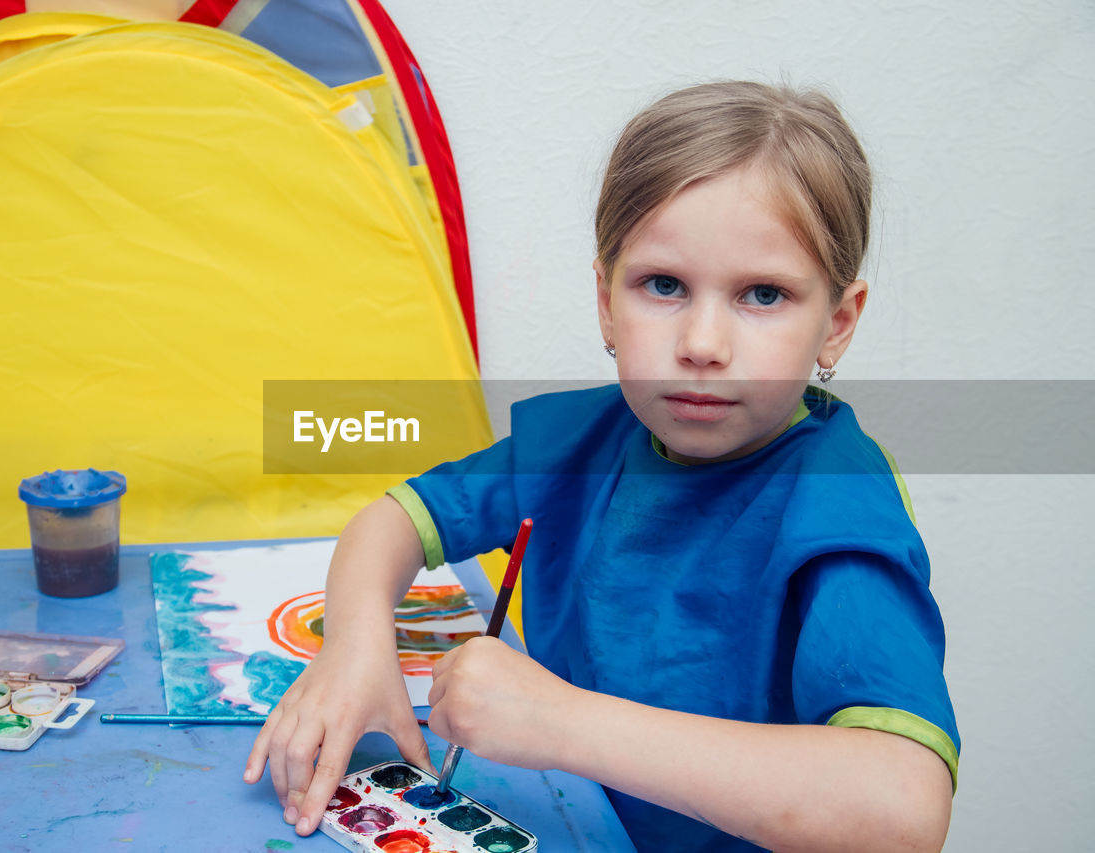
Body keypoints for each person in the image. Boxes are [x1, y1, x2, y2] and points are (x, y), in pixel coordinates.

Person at [244, 80, 959, 852]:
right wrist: (356, 646)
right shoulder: (578, 439)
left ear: (837, 324)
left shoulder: (836, 499)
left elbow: (903, 810)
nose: (704, 342)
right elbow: (392, 519)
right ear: (605, 300)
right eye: (663, 285)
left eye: (763, 293)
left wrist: (560, 722)